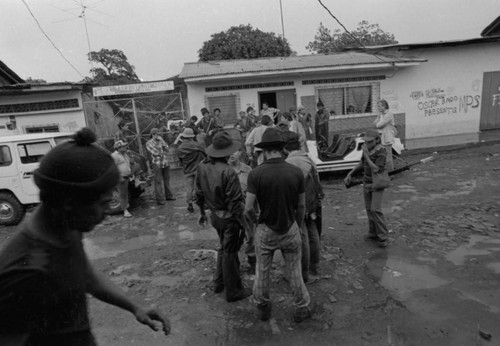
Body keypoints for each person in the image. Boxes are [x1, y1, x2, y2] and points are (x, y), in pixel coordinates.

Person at [0, 128, 170, 345]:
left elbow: (84, 275)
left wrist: (135, 306)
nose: (106, 213)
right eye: (102, 204)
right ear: (70, 203)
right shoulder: (23, 273)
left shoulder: (66, 227)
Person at [245, 127, 311, 323]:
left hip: (266, 230)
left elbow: (248, 208)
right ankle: (302, 307)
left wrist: (256, 223)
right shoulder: (295, 172)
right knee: (294, 271)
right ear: (281, 149)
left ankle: (263, 308)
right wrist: (297, 226)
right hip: (290, 227)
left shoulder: (255, 174)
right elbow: (301, 205)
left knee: (262, 272)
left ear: (264, 151)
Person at [194, 131, 252, 302]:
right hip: (229, 219)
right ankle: (233, 291)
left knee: (224, 248)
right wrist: (244, 223)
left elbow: (198, 194)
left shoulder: (202, 167)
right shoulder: (228, 172)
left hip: (215, 216)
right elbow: (235, 203)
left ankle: (218, 283)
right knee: (230, 253)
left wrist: (201, 214)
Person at [284, 133, 324, 280]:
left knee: (303, 236)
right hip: (312, 202)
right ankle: (315, 266)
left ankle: (304, 273)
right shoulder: (308, 160)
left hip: (299, 204)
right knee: (313, 233)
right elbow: (318, 183)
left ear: (285, 148)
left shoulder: (289, 163)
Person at [344, 129, 389, 248]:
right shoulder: (367, 149)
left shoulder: (382, 151)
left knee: (375, 210)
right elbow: (362, 163)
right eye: (366, 142)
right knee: (369, 210)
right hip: (366, 182)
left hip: (377, 184)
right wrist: (350, 173)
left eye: (370, 142)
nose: (367, 144)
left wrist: (367, 155)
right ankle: (373, 232)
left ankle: (384, 236)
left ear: (377, 140)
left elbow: (376, 169)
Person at [228, 149, 256, 274]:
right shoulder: (225, 170)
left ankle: (252, 262)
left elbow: (254, 191)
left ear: (239, 153)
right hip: (231, 210)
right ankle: (234, 266)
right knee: (233, 237)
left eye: (234, 152)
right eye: (229, 153)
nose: (232, 154)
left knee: (251, 236)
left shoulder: (248, 170)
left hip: (247, 209)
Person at [177, 127, 206, 213]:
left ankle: (190, 204)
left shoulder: (180, 148)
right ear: (191, 136)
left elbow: (181, 160)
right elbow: (205, 155)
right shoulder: (197, 145)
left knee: (189, 188)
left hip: (187, 170)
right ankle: (202, 204)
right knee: (200, 187)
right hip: (198, 169)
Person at [146, 128, 176, 205]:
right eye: (157, 134)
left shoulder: (161, 141)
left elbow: (167, 149)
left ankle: (169, 196)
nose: (158, 136)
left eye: (159, 134)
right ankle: (160, 199)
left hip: (165, 162)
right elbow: (155, 153)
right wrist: (162, 149)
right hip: (157, 163)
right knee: (158, 181)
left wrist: (162, 141)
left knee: (167, 180)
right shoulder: (149, 143)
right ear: (153, 134)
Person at [111, 140, 133, 218]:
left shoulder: (124, 154)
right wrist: (119, 177)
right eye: (124, 146)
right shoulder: (115, 155)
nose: (126, 147)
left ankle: (125, 206)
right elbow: (113, 167)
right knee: (122, 194)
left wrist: (130, 155)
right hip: (121, 177)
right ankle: (124, 210)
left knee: (125, 193)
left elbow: (131, 163)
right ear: (119, 147)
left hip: (126, 177)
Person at [374, 99, 396, 171]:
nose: (378, 108)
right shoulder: (381, 115)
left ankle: (390, 172)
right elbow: (374, 123)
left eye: (380, 106)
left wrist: (378, 121)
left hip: (388, 137)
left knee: (388, 156)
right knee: (383, 156)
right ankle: (386, 171)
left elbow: (379, 125)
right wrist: (378, 117)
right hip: (382, 137)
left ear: (384, 106)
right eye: (378, 106)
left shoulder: (388, 114)